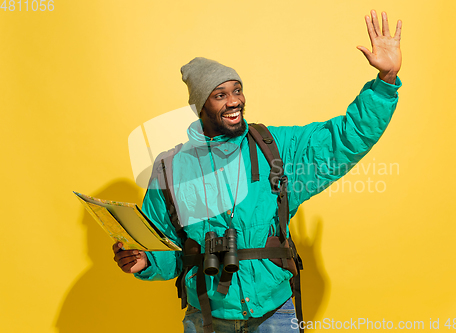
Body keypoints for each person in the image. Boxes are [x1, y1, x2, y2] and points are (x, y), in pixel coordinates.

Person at [113, 10, 402, 333]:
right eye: (220, 95)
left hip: (273, 313)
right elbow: (165, 247)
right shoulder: (171, 168)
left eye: (237, 90)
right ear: (200, 106)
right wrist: (145, 262)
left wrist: (385, 83)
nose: (234, 102)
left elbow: (343, 138)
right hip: (206, 317)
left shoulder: (274, 147)